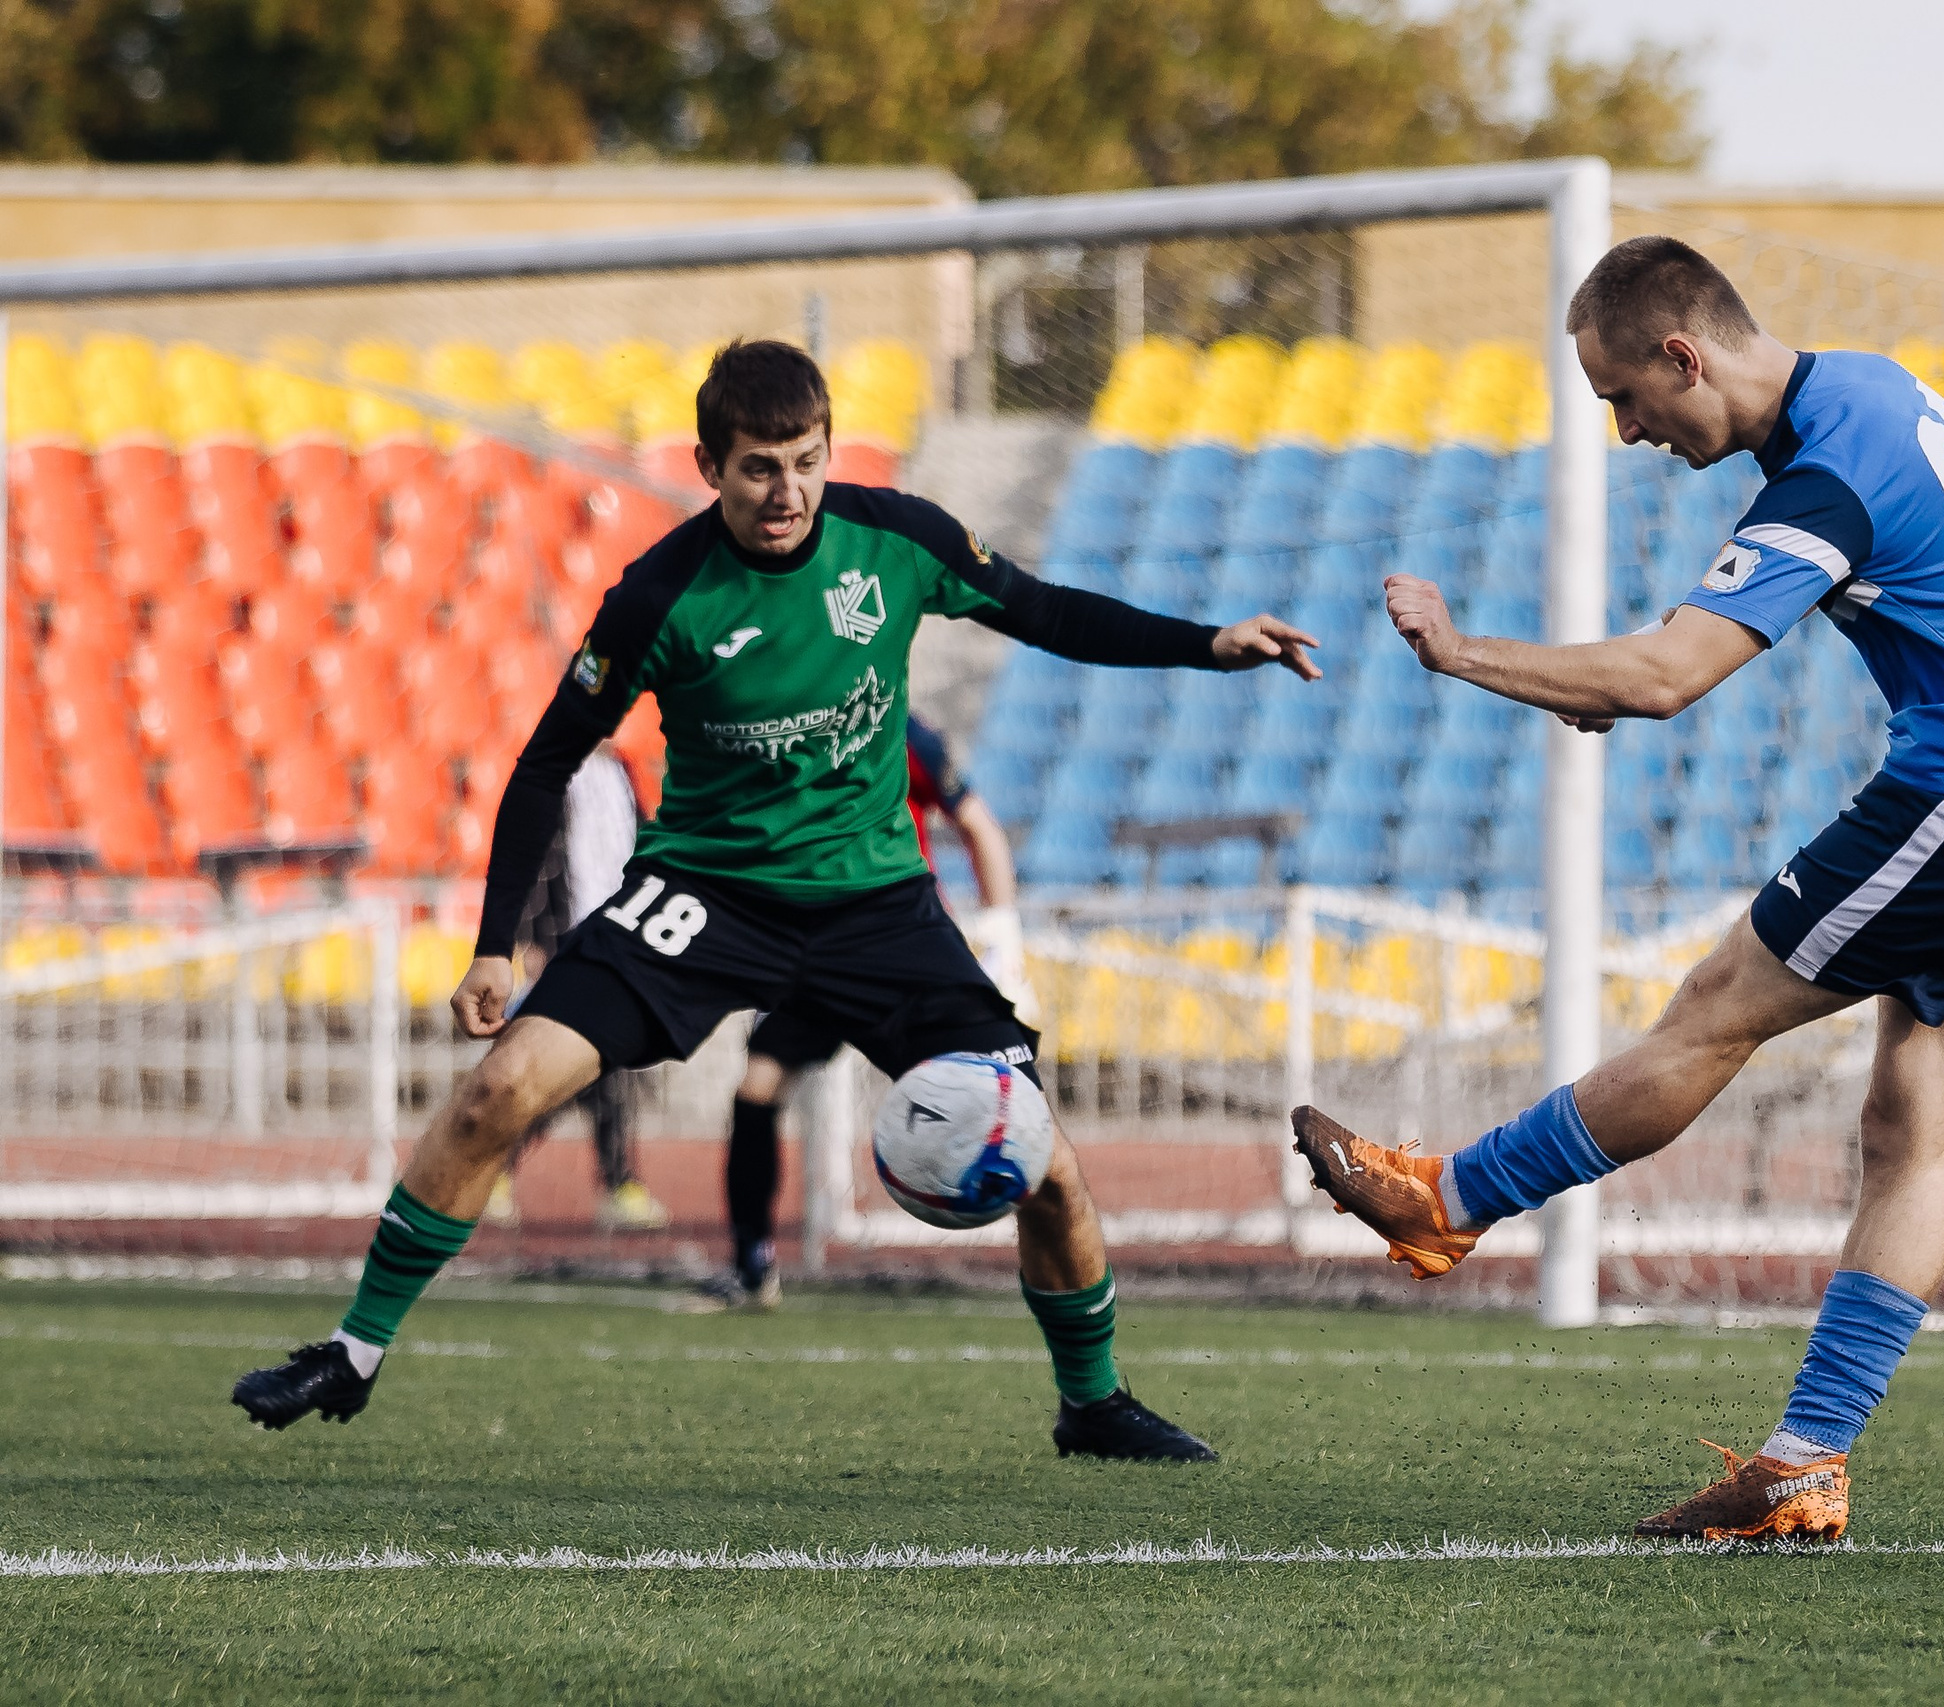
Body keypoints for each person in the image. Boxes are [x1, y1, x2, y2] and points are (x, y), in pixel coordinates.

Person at [233, 338, 1321, 1463]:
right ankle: (351, 1354)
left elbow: (1043, 612)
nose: (786, 491)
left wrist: (1208, 644)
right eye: (759, 467)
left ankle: (1091, 1404)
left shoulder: (897, 540)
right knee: (497, 1089)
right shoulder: (660, 593)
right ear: (709, 465)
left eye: (805, 461)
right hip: (703, 897)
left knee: (1040, 1159)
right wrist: (495, 947)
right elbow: (547, 761)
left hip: (878, 908)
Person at [1293, 235, 1944, 1540]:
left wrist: (1466, 655)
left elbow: (1661, 677)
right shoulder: (1871, 385)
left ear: (1685, 354)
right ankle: (1803, 1466)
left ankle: (1445, 1199)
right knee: (1912, 1122)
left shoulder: (1824, 478)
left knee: (1711, 1008)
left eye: (1627, 396)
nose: (1630, 430)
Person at [690, 713, 1025, 1310]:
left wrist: (1003, 944)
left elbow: (979, 827)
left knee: (985, 1098)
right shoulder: (781, 730)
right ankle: (752, 1265)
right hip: (818, 951)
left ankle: (1047, 1259)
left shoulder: (902, 730)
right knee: (756, 1086)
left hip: (901, 951)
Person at [484, 746, 671, 1233]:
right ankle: (609, 1181)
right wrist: (531, 937)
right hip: (567, 942)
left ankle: (608, 1181)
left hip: (620, 941)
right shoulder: (555, 772)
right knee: (570, 1070)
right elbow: (532, 853)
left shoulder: (623, 772)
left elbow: (642, 847)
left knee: (596, 1067)